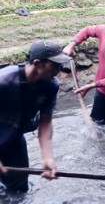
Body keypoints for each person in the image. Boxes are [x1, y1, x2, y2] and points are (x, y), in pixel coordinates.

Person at [0, 41, 70, 192]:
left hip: (13, 139)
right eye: (55, 65)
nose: (59, 70)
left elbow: (45, 122)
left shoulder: (51, 86)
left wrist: (47, 157)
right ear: (38, 63)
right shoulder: (4, 81)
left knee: (19, 188)